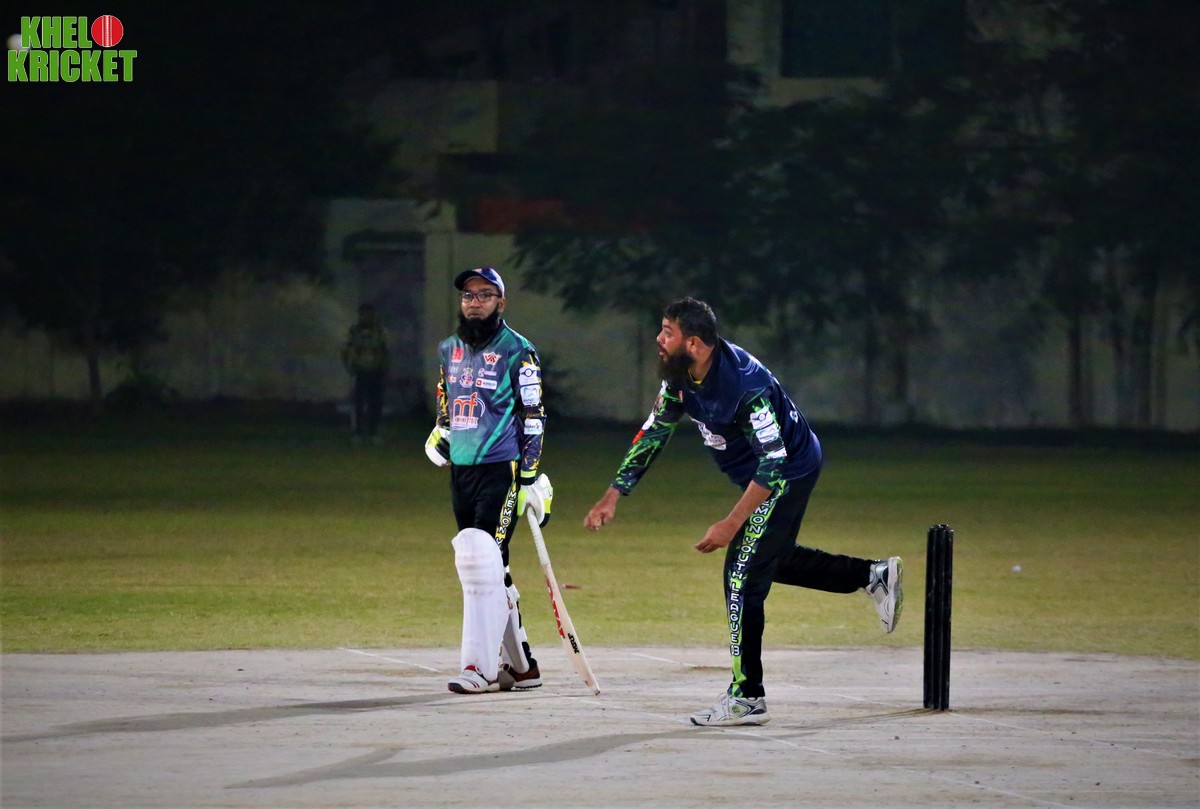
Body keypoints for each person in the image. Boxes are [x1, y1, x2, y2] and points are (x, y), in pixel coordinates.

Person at [584, 297, 903, 727]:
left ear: (694, 343)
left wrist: (730, 524)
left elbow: (774, 463)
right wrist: (613, 494)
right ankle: (872, 576)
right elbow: (655, 429)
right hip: (763, 473)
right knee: (770, 559)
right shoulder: (681, 375)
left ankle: (747, 696)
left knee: (741, 575)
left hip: (786, 472)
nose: (659, 339)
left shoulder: (743, 387)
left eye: (667, 332)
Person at [424, 267, 552, 694]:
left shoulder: (519, 350)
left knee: (482, 561)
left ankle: (478, 668)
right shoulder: (449, 349)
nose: (474, 302)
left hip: (502, 468)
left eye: (484, 295)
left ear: (501, 302)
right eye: (468, 295)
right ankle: (523, 667)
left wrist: (529, 477)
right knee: (489, 567)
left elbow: (534, 416)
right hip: (462, 470)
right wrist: (441, 433)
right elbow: (447, 402)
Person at [341, 303, 390, 443]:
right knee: (359, 403)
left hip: (376, 371)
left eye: (369, 314)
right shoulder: (354, 332)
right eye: (364, 315)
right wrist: (349, 365)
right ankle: (358, 432)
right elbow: (347, 349)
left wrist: (384, 367)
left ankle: (373, 431)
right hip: (360, 371)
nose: (367, 317)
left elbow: (384, 350)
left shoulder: (379, 331)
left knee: (375, 403)